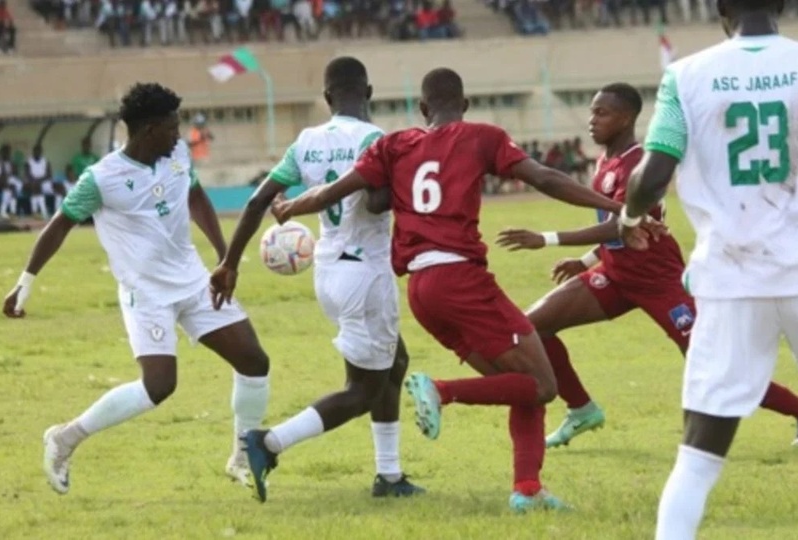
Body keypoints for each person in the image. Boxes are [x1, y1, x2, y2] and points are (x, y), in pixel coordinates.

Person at [271, 67, 657, 513]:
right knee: (543, 383)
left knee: (521, 384)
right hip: (461, 281)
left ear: (421, 109)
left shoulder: (395, 144)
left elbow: (330, 193)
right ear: (466, 104)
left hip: (422, 291)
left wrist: (288, 207)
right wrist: (619, 208)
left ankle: (527, 491)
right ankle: (440, 389)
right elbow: (547, 179)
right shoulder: (481, 136)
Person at [617, 1, 798, 537]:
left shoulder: (684, 76)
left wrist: (629, 216)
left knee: (698, 454)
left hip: (728, 282)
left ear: (721, 9)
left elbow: (651, 174)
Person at [496, 83, 798, 449]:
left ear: (626, 119)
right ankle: (581, 409)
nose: (592, 120)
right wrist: (588, 260)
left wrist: (546, 238)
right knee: (533, 328)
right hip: (615, 273)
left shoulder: (641, 163)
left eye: (601, 113)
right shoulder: (605, 160)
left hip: (659, 282)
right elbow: (617, 229)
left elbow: (624, 224)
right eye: (592, 111)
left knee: (714, 364)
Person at [2, 83, 271, 495]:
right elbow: (60, 225)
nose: (179, 135)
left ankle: (241, 456)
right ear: (148, 130)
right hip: (146, 295)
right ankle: (64, 438)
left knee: (254, 360)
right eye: (171, 127)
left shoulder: (177, 155)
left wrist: (224, 258)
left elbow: (196, 197)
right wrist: (25, 283)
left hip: (194, 281)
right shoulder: (101, 178)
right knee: (159, 386)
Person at [209, 56, 424, 503]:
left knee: (395, 363)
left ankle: (389, 475)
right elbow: (381, 202)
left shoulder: (305, 142)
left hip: (326, 270)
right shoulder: (374, 138)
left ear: (327, 98)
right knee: (363, 389)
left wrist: (229, 263)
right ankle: (267, 443)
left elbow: (256, 202)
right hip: (365, 271)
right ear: (368, 93)